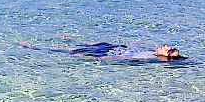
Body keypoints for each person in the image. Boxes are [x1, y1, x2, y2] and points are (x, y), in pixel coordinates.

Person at [17, 39, 185, 61]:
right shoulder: (153, 52)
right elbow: (149, 46)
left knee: (70, 50)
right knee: (92, 42)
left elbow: (123, 60)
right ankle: (70, 37)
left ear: (164, 58)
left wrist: (99, 60)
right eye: (170, 46)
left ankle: (36, 47)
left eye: (169, 50)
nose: (167, 47)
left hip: (110, 54)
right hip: (116, 48)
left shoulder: (147, 59)